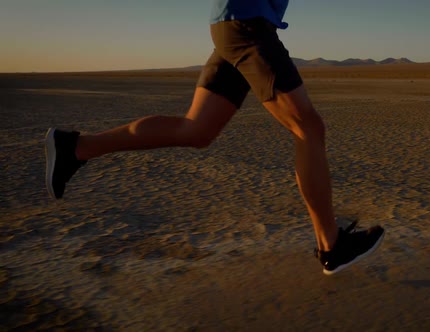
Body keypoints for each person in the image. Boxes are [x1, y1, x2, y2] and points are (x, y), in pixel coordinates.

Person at [45, 0, 384, 275]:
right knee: (308, 128)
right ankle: (331, 245)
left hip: (234, 24)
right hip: (246, 23)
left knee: (197, 130)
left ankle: (77, 147)